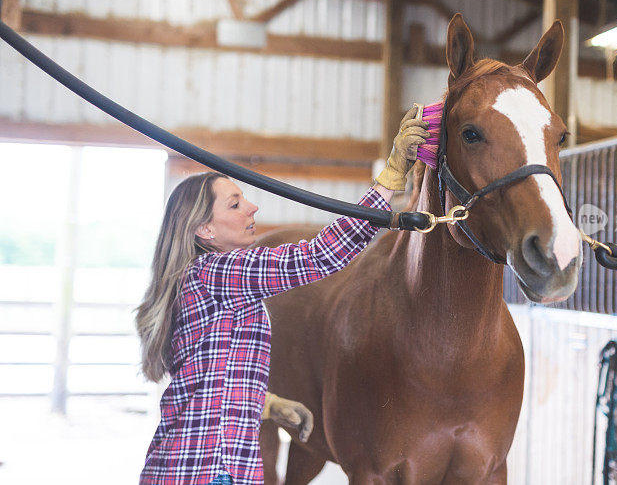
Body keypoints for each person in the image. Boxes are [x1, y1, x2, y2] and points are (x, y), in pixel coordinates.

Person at [135, 109, 429, 485]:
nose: (252, 208)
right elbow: (318, 256)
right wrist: (390, 175)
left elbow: (211, 377)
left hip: (202, 466)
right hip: (208, 471)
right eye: (235, 204)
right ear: (204, 229)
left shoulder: (201, 281)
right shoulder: (217, 274)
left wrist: (269, 404)